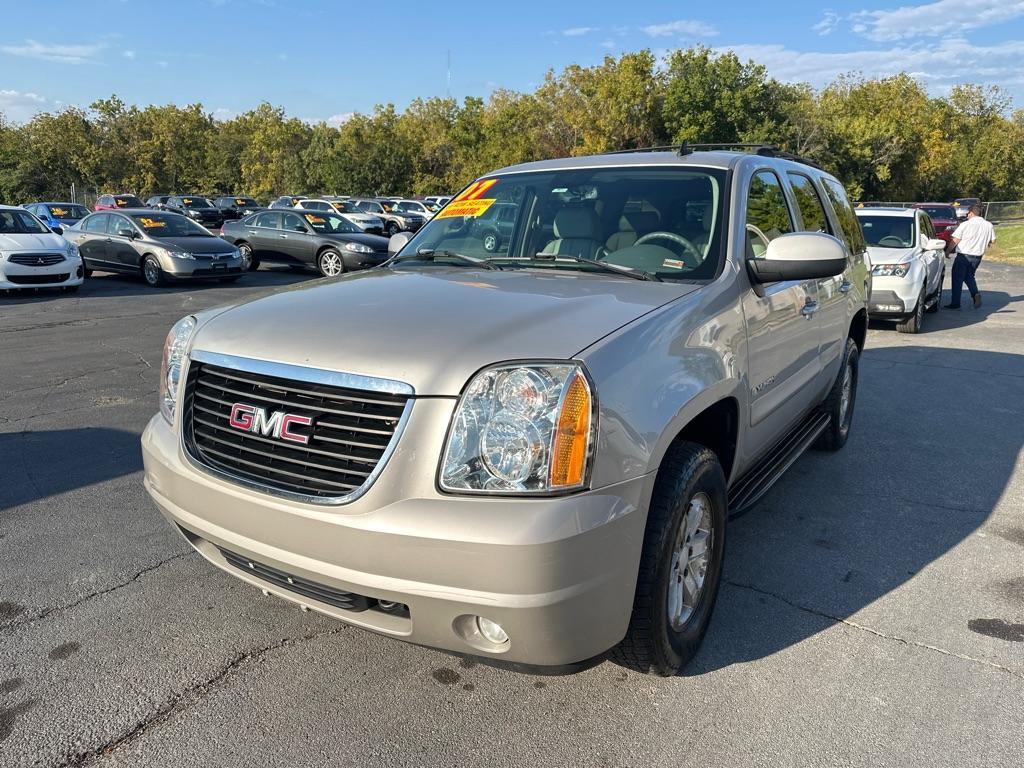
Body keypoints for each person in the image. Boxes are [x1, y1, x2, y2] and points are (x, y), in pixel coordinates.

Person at [945, 203, 995, 309]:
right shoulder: (988, 225)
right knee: (969, 276)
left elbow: (955, 240)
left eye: (968, 213)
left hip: (964, 256)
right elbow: (993, 240)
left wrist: (948, 251)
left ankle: (955, 303)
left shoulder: (965, 225)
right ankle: (975, 294)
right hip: (977, 257)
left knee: (957, 278)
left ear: (971, 213)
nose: (967, 215)